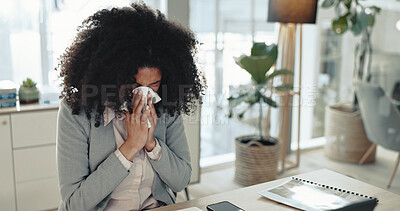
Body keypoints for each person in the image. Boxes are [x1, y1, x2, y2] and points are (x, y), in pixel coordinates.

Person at [56, 3, 206, 211]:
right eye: (134, 85)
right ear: (111, 75)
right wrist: (131, 146)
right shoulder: (77, 111)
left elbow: (181, 181)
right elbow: (74, 204)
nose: (144, 94)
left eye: (153, 84)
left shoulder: (165, 106)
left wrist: (152, 144)